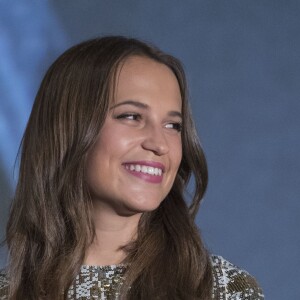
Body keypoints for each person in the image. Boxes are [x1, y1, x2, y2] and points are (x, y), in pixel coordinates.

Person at [0, 36, 264, 299]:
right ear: (67, 128)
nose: (159, 144)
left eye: (173, 125)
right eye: (131, 116)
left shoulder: (223, 290)